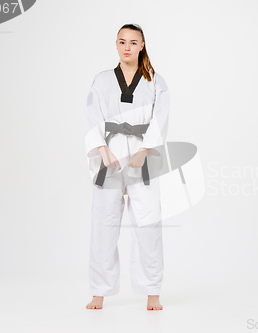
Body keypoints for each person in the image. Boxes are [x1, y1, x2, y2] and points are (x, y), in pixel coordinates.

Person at [84, 23, 169, 310]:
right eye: (122, 42)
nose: (127, 47)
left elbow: (161, 118)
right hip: (110, 155)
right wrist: (102, 149)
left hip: (142, 157)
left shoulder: (155, 80)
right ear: (116, 45)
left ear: (142, 45)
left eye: (133, 42)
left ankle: (152, 290)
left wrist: (145, 150)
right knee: (103, 223)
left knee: (147, 223)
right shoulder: (102, 79)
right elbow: (91, 115)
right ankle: (99, 290)